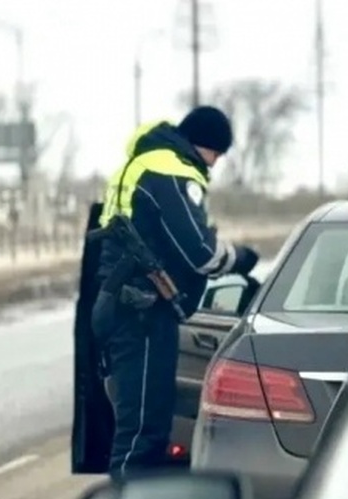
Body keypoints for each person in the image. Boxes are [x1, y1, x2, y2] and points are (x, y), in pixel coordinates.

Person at [91, 106, 260, 479]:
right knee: (143, 434)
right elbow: (200, 252)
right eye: (216, 154)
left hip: (127, 307)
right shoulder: (172, 172)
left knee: (140, 429)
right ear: (204, 144)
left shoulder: (144, 163)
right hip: (143, 315)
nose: (213, 164)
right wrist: (241, 257)